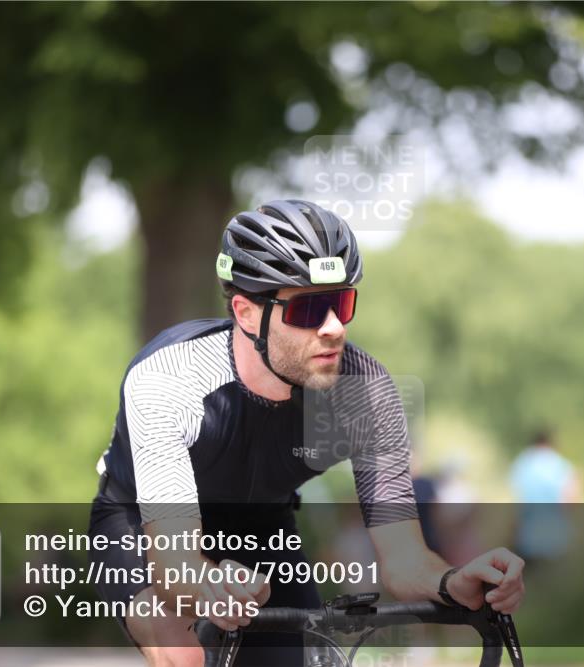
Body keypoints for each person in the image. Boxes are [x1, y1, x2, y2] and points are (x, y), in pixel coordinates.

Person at [87, 200, 525, 667]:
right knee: (188, 648)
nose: (334, 327)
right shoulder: (171, 379)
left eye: (341, 303)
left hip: (263, 527)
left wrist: (452, 581)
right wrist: (210, 585)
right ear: (247, 312)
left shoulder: (364, 393)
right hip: (138, 526)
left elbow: (404, 560)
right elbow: (176, 570)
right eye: (310, 309)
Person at [507, 430, 579, 561]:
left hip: (528, 531)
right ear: (550, 443)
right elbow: (570, 496)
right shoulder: (560, 464)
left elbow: (518, 496)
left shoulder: (523, 461)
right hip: (554, 532)